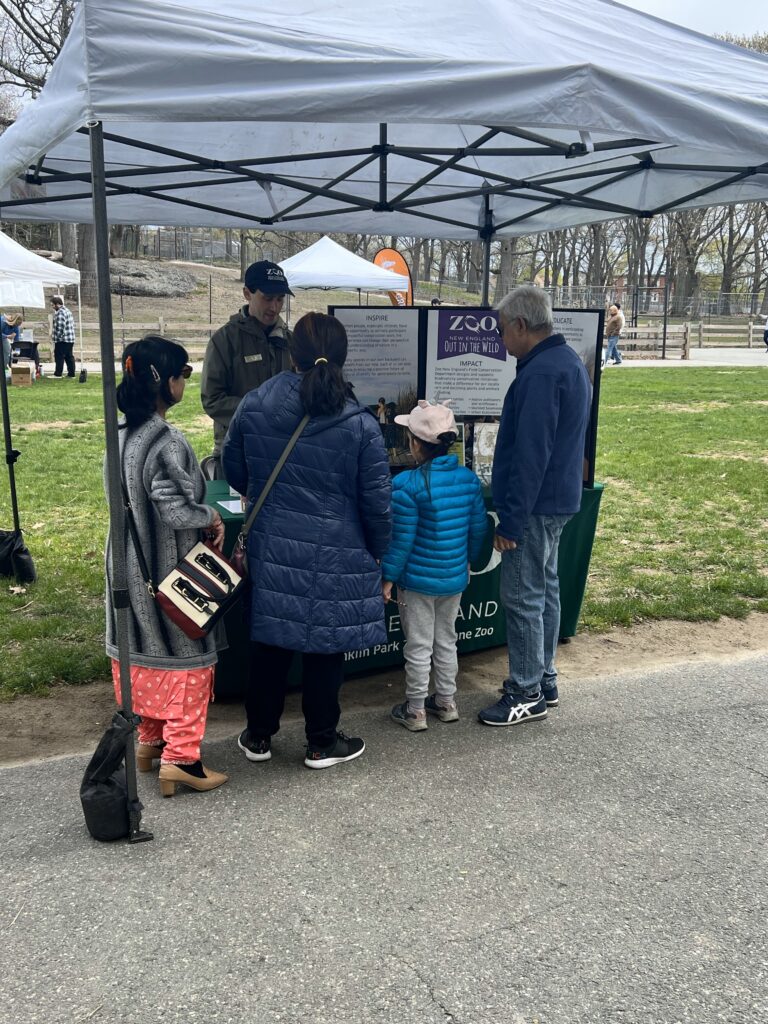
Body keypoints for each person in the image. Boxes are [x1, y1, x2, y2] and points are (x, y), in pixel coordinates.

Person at [222, 312, 391, 770]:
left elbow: (234, 469)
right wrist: (381, 553)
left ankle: (258, 736)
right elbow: (377, 502)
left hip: (272, 544)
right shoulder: (359, 423)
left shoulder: (255, 403)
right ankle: (321, 741)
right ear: (343, 356)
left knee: (271, 643)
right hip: (337, 549)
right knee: (325, 647)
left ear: (291, 353)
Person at [107, 335, 228, 796]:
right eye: (183, 373)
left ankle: (149, 742)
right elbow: (175, 511)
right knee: (187, 663)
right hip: (169, 573)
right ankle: (182, 759)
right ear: (165, 382)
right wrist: (211, 515)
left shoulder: (116, 435)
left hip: (125, 567)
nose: (185, 381)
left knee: (142, 658)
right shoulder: (167, 440)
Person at [478, 285, 590, 727]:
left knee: (522, 594)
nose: (502, 340)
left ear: (521, 326)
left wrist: (511, 519)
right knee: (545, 586)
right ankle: (544, 677)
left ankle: (526, 691)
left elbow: (531, 453)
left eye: (503, 331)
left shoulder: (542, 373)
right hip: (556, 499)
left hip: (536, 503)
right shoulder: (565, 363)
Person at [381, 400, 487, 731]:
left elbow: (401, 542)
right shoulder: (468, 481)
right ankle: (446, 701)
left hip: (416, 582)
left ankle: (414, 709)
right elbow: (478, 529)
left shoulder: (406, 486)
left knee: (418, 645)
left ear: (414, 444)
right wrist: (469, 561)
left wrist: (387, 578)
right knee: (446, 640)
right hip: (453, 579)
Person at [201, 260, 294, 475]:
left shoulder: (291, 340)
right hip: (238, 450)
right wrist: (259, 411)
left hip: (283, 450)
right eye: (267, 298)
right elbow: (212, 400)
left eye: (280, 299)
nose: (274, 307)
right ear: (247, 293)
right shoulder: (224, 340)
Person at [51, 295, 76, 378]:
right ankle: (71, 374)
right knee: (69, 356)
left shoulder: (61, 313)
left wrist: (57, 337)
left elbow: (61, 327)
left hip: (63, 339)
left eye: (53, 305)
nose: (52, 307)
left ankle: (58, 374)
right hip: (70, 338)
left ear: (57, 304)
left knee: (59, 356)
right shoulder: (67, 311)